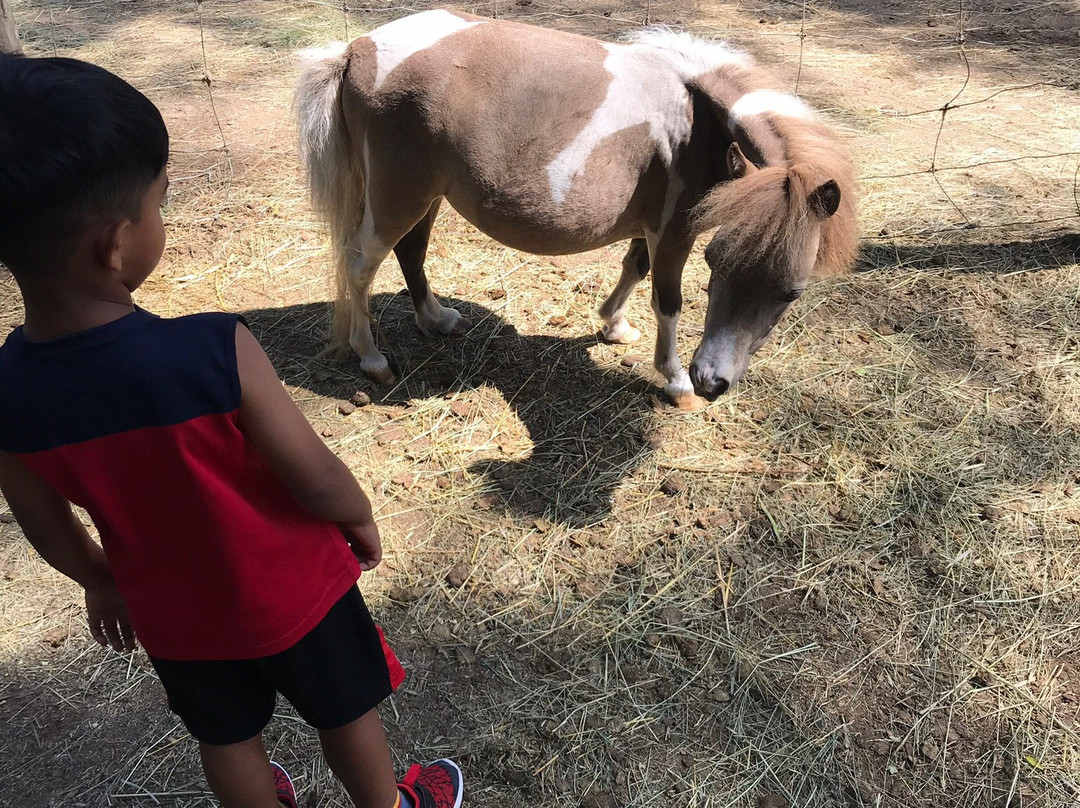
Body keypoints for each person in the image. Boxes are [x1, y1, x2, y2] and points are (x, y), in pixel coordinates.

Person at [0, 53, 463, 808]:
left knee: (227, 740)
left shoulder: (8, 393)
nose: (163, 219)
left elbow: (44, 524)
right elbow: (313, 473)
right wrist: (357, 513)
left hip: (173, 616)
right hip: (298, 592)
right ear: (115, 244)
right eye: (159, 203)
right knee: (345, 711)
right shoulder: (214, 350)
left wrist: (100, 580)